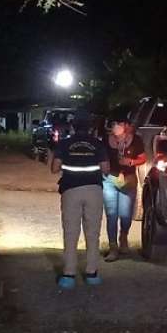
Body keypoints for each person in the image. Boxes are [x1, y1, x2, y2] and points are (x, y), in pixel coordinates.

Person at [51, 113, 110, 289]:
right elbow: (106, 169)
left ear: (73, 127)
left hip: (70, 190)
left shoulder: (64, 144)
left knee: (70, 232)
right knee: (93, 232)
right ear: (91, 128)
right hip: (94, 189)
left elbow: (54, 168)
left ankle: (69, 274)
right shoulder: (98, 144)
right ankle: (92, 273)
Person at [102, 117, 146, 261]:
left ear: (126, 125)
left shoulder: (136, 140)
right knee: (111, 214)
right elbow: (101, 157)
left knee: (126, 215)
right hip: (109, 179)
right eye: (114, 123)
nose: (116, 126)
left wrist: (131, 161)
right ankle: (113, 247)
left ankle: (124, 235)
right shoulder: (106, 139)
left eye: (119, 123)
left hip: (128, 179)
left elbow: (143, 158)